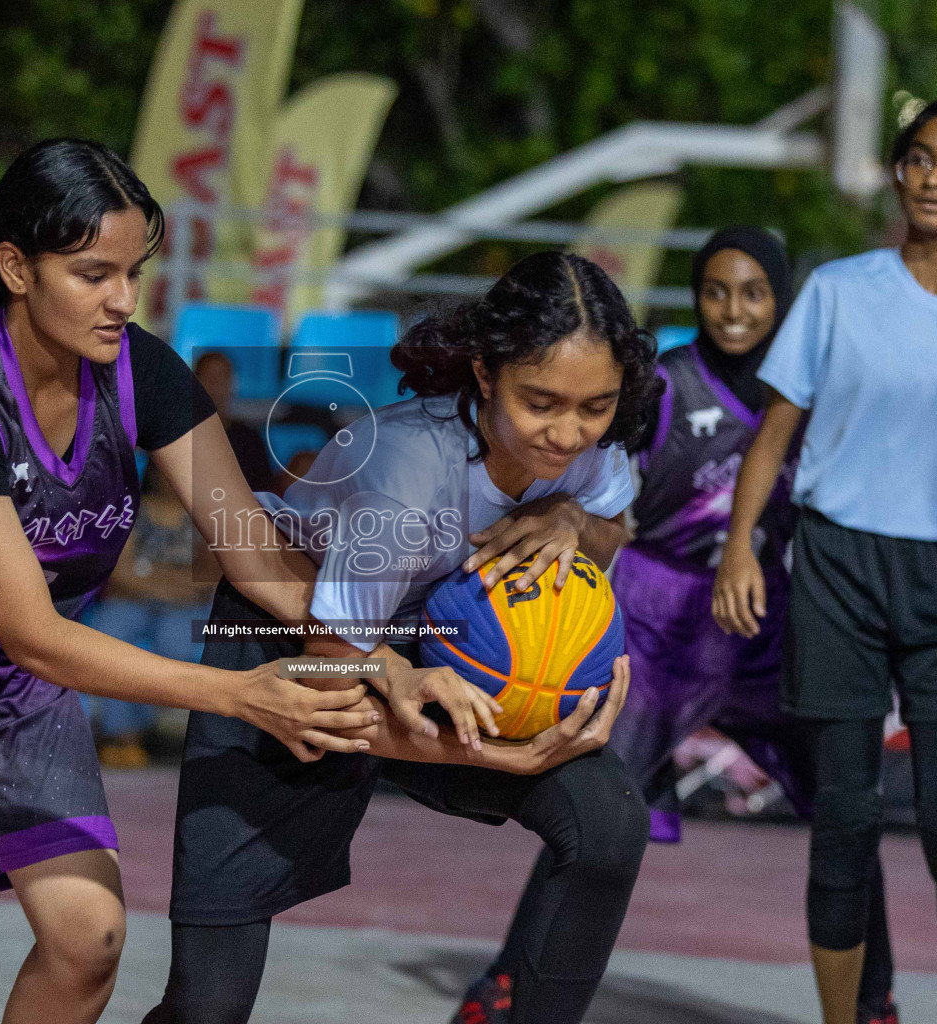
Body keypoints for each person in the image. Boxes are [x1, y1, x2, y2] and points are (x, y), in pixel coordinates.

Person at [0, 138, 380, 1024]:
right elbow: (34, 634)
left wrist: (384, 655)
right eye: (93, 274)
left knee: (88, 938)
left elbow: (257, 558)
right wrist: (245, 694)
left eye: (134, 274)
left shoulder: (144, 372)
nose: (122, 300)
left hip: (8, 669)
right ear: (17, 267)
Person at [143, 251, 659, 1024]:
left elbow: (617, 523)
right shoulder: (408, 473)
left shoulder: (589, 447)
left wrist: (574, 520)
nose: (567, 433)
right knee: (208, 1005)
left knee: (610, 821)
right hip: (293, 636)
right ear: (485, 373)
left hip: (442, 643)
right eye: (542, 402)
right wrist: (503, 753)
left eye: (595, 408)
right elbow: (333, 674)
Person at [457, 226, 899, 1024]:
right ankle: (507, 982)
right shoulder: (661, 385)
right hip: (661, 623)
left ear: (781, 298)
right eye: (717, 291)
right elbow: (603, 496)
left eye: (754, 292)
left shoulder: (811, 389)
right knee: (593, 818)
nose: (734, 309)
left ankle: (874, 1003)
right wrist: (568, 515)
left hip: (765, 623)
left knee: (846, 811)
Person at [712, 98, 937, 1024]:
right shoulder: (839, 290)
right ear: (898, 171)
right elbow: (772, 435)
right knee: (844, 817)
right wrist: (740, 548)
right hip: (835, 567)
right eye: (918, 159)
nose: (932, 178)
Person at [78, 466, 218, 768]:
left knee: (178, 640)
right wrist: (173, 581)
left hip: (186, 604)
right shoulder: (131, 508)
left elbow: (210, 576)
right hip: (134, 601)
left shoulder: (205, 512)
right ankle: (124, 737)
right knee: (110, 631)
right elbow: (119, 573)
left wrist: (150, 575)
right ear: (154, 471)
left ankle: (177, 733)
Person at [193, 350, 274, 491]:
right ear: (194, 383)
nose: (216, 385)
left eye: (222, 378)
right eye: (209, 377)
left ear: (233, 384)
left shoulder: (250, 442)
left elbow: (262, 494)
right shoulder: (175, 439)